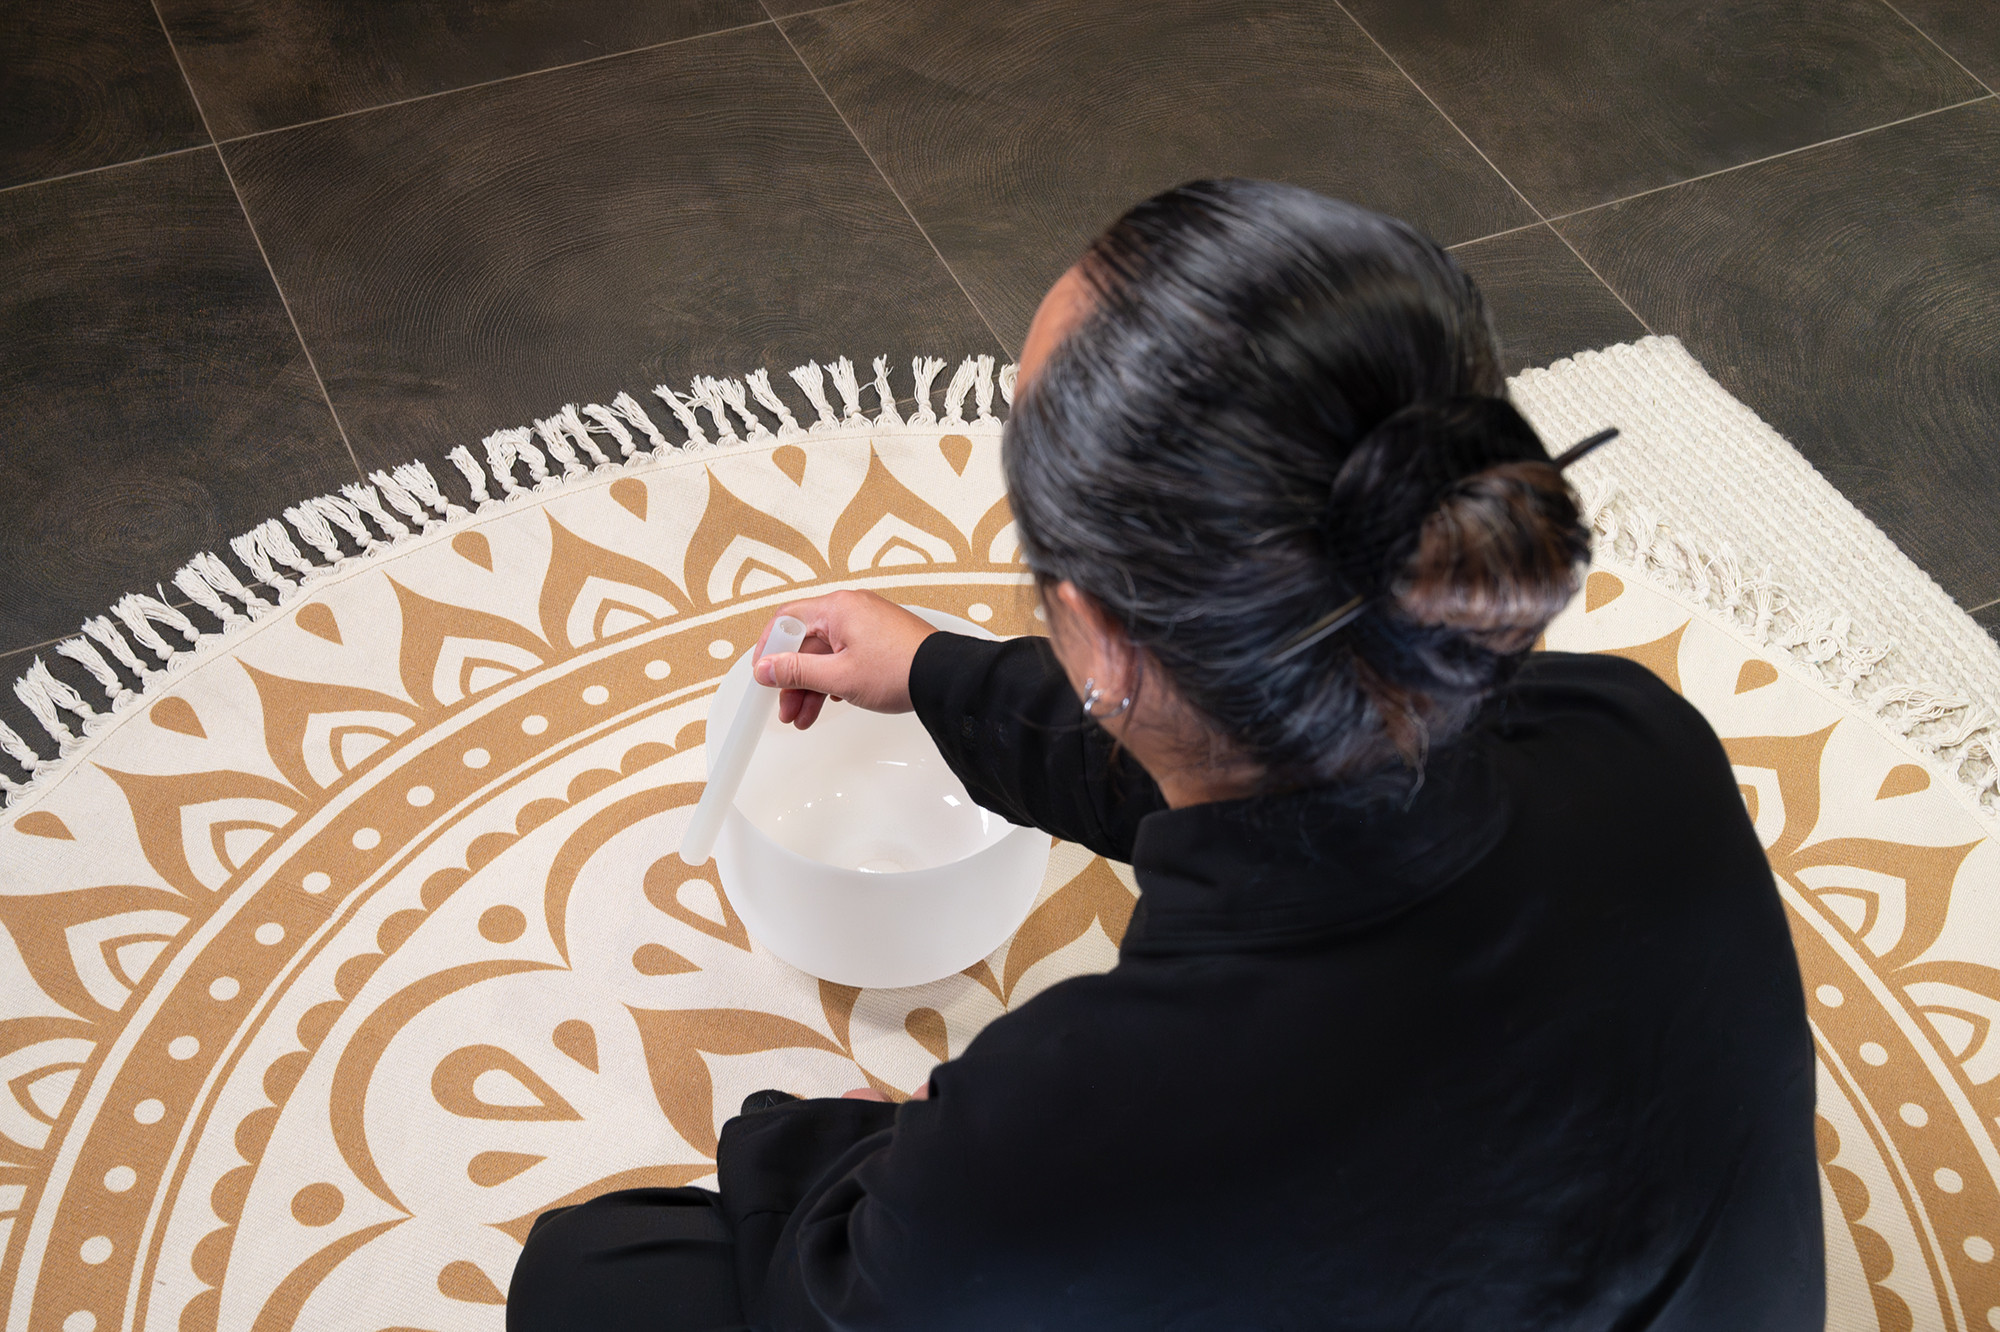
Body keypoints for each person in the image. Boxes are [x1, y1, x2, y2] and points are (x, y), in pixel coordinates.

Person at [506, 179, 1823, 1331]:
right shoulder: (1634, 736)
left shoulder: (1077, 1115)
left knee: (591, 1276)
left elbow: (845, 1285)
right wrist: (937, 674)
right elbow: (1254, 748)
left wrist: (845, 1146)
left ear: (1095, 628)